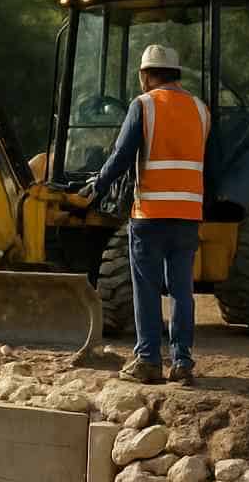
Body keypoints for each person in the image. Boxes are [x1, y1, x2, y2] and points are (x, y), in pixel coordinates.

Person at [78, 43, 210, 386]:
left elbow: (122, 155)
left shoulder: (144, 105)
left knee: (147, 289)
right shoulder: (200, 110)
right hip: (188, 214)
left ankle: (148, 360)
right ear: (176, 74)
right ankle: (182, 362)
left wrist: (97, 187)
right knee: (182, 291)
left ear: (145, 75)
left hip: (150, 213)